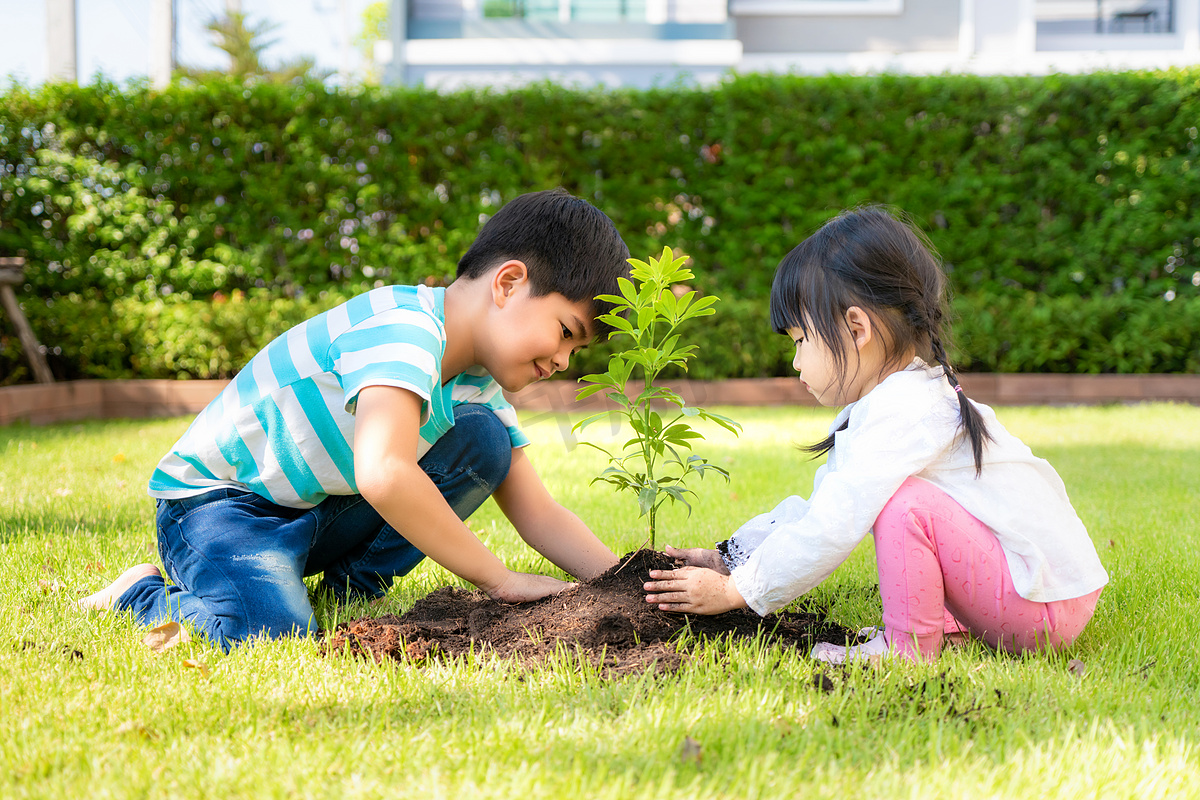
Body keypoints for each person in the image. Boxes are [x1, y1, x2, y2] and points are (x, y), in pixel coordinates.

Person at [81, 189, 629, 651]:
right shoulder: (403, 329)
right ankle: (141, 594)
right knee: (270, 633)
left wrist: (624, 583)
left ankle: (344, 589)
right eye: (565, 332)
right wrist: (499, 579)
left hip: (314, 509)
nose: (561, 361)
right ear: (508, 283)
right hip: (221, 508)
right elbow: (384, 472)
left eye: (575, 352)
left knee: (484, 439)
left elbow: (538, 513)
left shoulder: (477, 381)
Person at [643, 206, 1109, 663]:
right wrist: (731, 557)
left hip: (1040, 608)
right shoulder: (896, 402)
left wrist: (734, 591)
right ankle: (947, 624)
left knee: (903, 504)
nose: (795, 361)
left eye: (800, 340)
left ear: (856, 327)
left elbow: (830, 528)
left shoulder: (905, 410)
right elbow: (821, 508)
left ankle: (908, 648)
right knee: (896, 500)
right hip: (1045, 595)